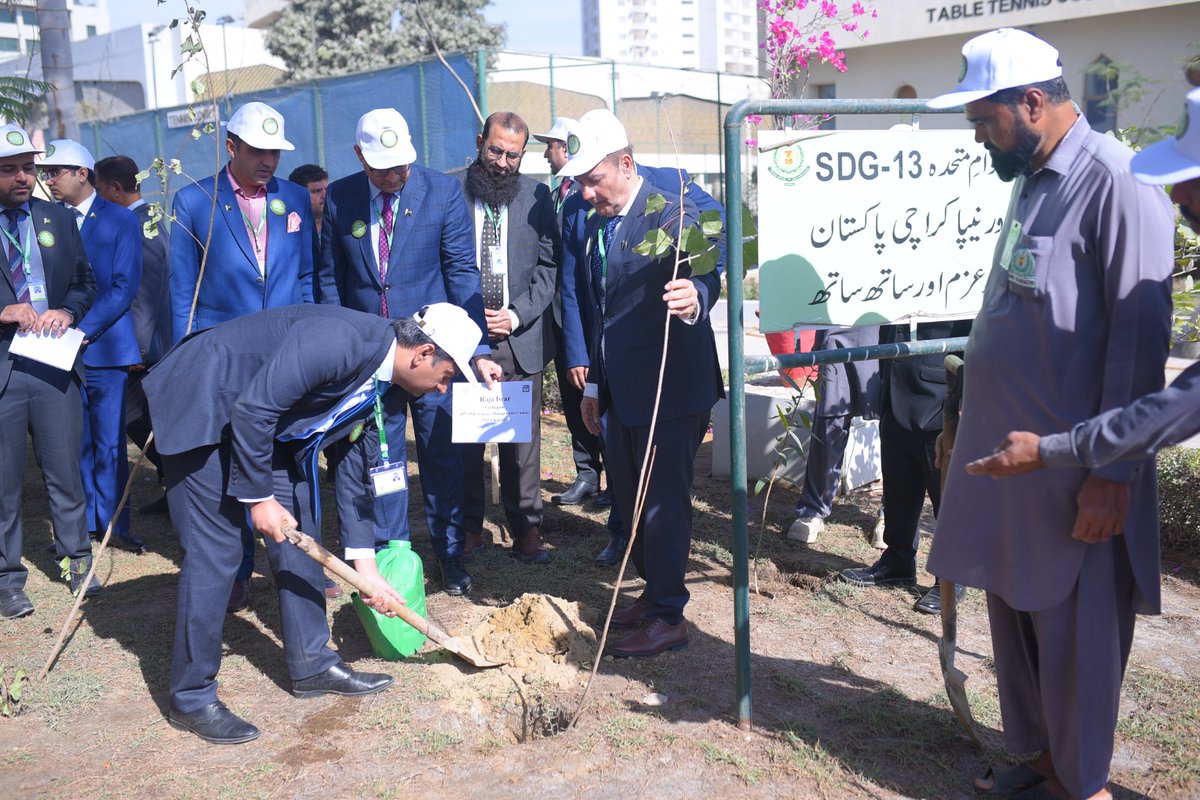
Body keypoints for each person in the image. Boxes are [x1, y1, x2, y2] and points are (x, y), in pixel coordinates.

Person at [924, 29, 1176, 800]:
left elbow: (1138, 348)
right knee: (1017, 621)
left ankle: (1083, 782)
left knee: (1077, 637)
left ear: (1032, 101)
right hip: (1010, 467)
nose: (976, 136)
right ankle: (1040, 759)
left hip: (1073, 476)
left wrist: (1111, 475)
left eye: (982, 119)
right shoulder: (1032, 176)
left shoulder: (1120, 184)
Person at [143, 302, 485, 745]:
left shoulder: (393, 387)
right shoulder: (339, 342)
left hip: (266, 424)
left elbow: (356, 468)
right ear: (422, 353)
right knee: (219, 550)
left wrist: (365, 568)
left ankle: (313, 664)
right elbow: (252, 409)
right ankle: (190, 697)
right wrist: (259, 497)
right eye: (446, 376)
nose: (443, 389)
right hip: (206, 402)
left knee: (300, 525)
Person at [966, 86, 1200, 478]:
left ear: (1033, 104)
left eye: (1193, 177)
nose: (1176, 195)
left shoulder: (1112, 178)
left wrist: (1082, 460)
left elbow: (1183, 399)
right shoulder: (1032, 172)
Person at [560, 111, 723, 657]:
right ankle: (654, 595)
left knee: (664, 503)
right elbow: (597, 307)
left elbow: (711, 253)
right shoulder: (593, 221)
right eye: (579, 182)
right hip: (618, 391)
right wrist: (591, 388)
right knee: (629, 501)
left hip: (667, 390)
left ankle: (670, 615)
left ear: (626, 164)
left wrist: (696, 292)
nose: (586, 193)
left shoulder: (669, 204)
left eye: (594, 180)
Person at [319, 108, 499, 596]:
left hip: (433, 357)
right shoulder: (341, 197)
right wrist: (342, 347)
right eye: (383, 168)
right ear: (359, 156)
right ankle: (389, 553)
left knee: (443, 457)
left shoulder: (441, 193)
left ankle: (450, 552)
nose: (395, 176)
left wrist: (476, 347)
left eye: (402, 166)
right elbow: (331, 278)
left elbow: (463, 273)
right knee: (381, 460)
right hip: (373, 359)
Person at [169, 100, 317, 612]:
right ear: (230, 146)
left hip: (285, 354)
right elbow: (181, 291)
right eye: (258, 151)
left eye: (275, 153)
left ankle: (296, 566)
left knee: (283, 459)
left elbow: (306, 277)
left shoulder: (294, 198)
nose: (268, 162)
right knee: (226, 458)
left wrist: (310, 336)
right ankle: (235, 570)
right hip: (221, 358)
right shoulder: (193, 202)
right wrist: (184, 362)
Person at [0, 124, 98, 619]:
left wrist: (68, 311)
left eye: (29, 167)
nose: (23, 176)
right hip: (4, 372)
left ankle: (77, 559)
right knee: (4, 482)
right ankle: (7, 579)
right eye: (9, 168)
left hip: (53, 365)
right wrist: (3, 311)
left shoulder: (57, 217)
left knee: (64, 469)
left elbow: (85, 282)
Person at [457, 112, 560, 564]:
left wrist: (516, 315)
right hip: (462, 337)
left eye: (512, 155)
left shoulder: (539, 196)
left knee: (522, 443)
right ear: (480, 142)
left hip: (519, 336)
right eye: (495, 150)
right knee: (466, 440)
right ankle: (467, 528)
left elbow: (549, 268)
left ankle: (527, 530)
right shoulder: (450, 191)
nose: (501, 162)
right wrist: (469, 316)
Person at [40, 140, 146, 554]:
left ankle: (114, 524)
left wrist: (81, 330)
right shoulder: (47, 219)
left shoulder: (120, 220)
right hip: (58, 347)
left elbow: (124, 286)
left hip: (102, 346)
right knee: (75, 438)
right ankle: (82, 524)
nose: (48, 180)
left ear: (81, 174)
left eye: (56, 172)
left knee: (110, 442)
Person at [838, 321, 971, 615]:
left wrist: (967, 395)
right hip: (895, 388)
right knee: (899, 487)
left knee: (946, 494)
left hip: (941, 394)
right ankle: (897, 560)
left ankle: (953, 576)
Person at [533, 116, 603, 508]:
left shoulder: (589, 192)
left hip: (596, 315)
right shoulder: (551, 194)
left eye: (552, 145)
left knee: (605, 395)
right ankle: (587, 473)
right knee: (577, 393)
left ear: (569, 146)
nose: (547, 152)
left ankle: (615, 477)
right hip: (562, 317)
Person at [95, 155, 171, 514]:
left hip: (150, 346)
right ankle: (175, 483)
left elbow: (146, 291)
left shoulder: (140, 226)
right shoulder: (148, 220)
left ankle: (179, 480)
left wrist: (138, 350)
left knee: (133, 416)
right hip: (151, 343)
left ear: (115, 188)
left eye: (98, 190)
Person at [786, 326, 881, 545]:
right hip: (836, 320)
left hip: (885, 323)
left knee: (891, 418)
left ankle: (891, 514)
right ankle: (813, 509)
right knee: (830, 420)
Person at [288, 163, 328, 233]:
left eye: (326, 189)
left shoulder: (338, 224)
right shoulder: (288, 226)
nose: (324, 195)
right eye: (317, 191)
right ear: (298, 195)